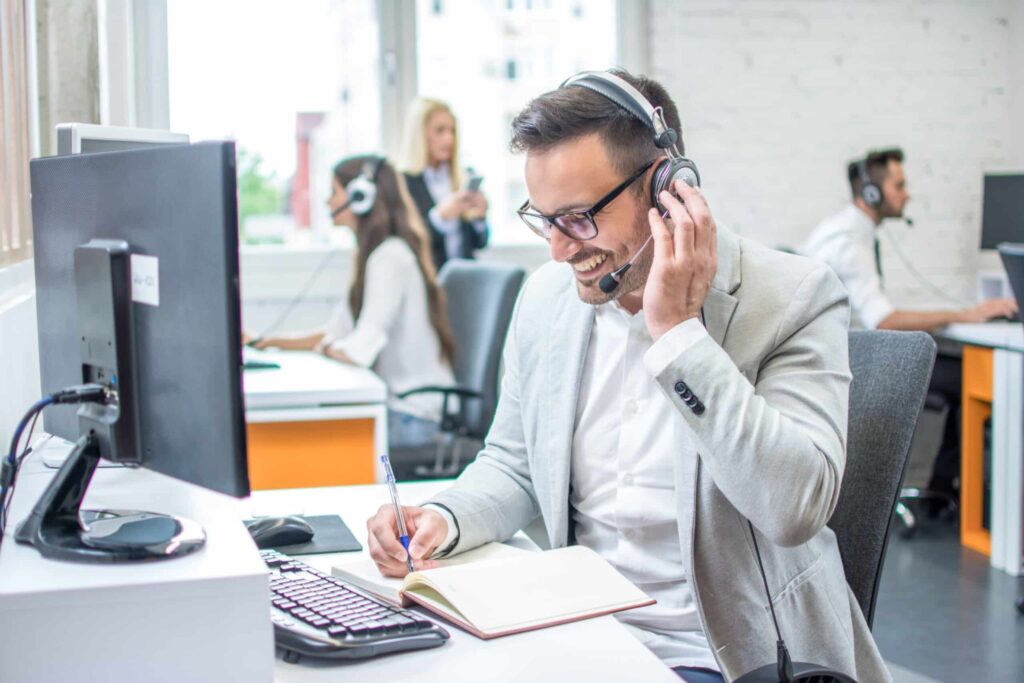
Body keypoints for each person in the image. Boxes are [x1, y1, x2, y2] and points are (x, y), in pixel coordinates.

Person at [366, 70, 891, 682]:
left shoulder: (794, 297)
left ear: (669, 189)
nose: (559, 251)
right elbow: (513, 463)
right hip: (577, 636)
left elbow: (795, 508)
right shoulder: (545, 301)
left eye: (580, 218)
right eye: (544, 218)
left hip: (723, 656)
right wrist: (445, 517)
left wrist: (678, 336)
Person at [802, 149, 1018, 501]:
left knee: (963, 372)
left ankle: (942, 486)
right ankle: (956, 490)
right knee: (970, 375)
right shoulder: (849, 244)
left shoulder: (846, 230)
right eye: (899, 185)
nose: (908, 194)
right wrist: (964, 315)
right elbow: (884, 319)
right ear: (872, 193)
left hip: (845, 355)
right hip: (852, 364)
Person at [250, 155, 456, 447]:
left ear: (361, 197)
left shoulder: (390, 256)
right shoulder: (372, 256)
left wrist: (328, 348)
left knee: (309, 440)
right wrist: (266, 341)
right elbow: (337, 332)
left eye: (334, 193)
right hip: (400, 410)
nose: (327, 203)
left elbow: (360, 348)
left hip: (416, 418)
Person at [401, 97, 489, 271]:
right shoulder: (403, 183)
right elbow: (407, 241)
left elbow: (480, 243)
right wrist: (440, 217)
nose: (449, 139)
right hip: (429, 281)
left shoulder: (463, 177)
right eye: (440, 131)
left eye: (452, 131)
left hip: (464, 279)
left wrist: (479, 217)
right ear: (420, 134)